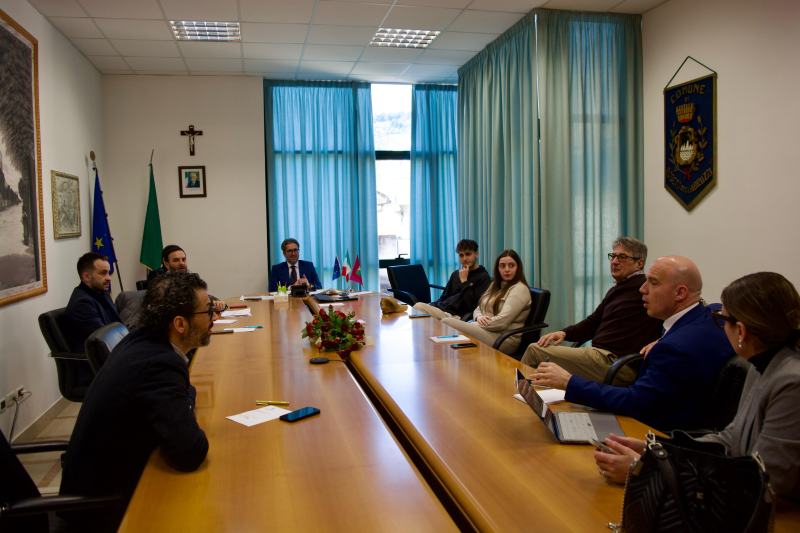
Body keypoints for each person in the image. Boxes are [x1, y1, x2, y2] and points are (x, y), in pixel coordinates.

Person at [593, 272, 800, 501]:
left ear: (740, 331)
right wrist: (660, 452)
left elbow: (768, 485)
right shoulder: (762, 362)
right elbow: (732, 438)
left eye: (722, 317)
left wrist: (644, 472)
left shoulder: (791, 383)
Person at [59, 272, 213, 531]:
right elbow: (191, 453)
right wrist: (185, 403)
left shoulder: (142, 339)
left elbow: (187, 392)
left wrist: (184, 400)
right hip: (104, 509)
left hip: (99, 483)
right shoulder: (159, 364)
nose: (213, 318)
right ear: (180, 323)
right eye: (207, 311)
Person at [519, 256, 734, 431]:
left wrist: (569, 382)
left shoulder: (674, 349)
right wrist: (664, 338)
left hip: (653, 432)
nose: (643, 289)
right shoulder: (716, 316)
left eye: (653, 283)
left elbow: (636, 403)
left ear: (680, 293)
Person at [521, 237, 663, 385]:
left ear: (639, 263)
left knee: (535, 351)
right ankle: (535, 400)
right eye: (613, 256)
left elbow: (676, 318)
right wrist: (563, 333)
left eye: (622, 257)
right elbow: (592, 324)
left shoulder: (646, 288)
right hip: (599, 357)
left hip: (618, 363)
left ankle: (513, 396)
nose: (614, 262)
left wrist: (660, 341)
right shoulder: (617, 289)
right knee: (544, 363)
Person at [441, 250, 531, 355]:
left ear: (518, 268)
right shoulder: (495, 285)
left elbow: (502, 322)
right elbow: (479, 307)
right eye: (502, 266)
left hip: (503, 339)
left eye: (511, 265)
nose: (507, 270)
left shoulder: (519, 289)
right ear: (498, 269)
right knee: (448, 337)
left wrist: (474, 324)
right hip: (487, 330)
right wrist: (478, 317)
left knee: (446, 322)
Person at [64, 253, 123, 384]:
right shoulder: (82, 304)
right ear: (86, 276)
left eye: (108, 273)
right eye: (103, 273)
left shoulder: (101, 293)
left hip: (112, 358)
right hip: (95, 367)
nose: (109, 278)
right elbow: (105, 341)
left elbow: (117, 326)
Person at [413, 239, 492, 321]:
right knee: (417, 309)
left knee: (418, 307)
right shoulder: (456, 274)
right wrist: (433, 305)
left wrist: (464, 281)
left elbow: (474, 305)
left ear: (476, 254)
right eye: (461, 255)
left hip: (454, 315)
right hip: (442, 309)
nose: (465, 258)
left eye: (468, 254)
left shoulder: (483, 277)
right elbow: (444, 297)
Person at [147, 245, 226, 312]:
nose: (181, 263)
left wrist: (218, 304)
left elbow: (199, 295)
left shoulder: (188, 277)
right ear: (166, 263)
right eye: (176, 260)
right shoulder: (157, 278)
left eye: (183, 259)